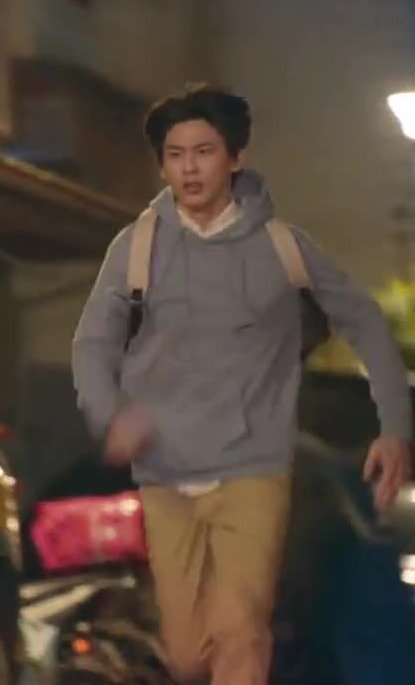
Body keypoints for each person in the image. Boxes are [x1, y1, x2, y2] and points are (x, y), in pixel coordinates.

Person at [70, 82, 413, 685]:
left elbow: (362, 319)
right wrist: (111, 414)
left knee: (238, 635)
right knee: (189, 652)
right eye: (175, 155)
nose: (189, 169)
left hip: (256, 472)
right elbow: (93, 341)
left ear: (235, 158)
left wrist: (393, 427)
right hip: (168, 474)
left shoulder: (281, 248)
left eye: (204, 152)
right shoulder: (140, 248)